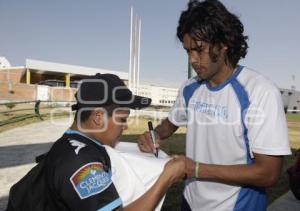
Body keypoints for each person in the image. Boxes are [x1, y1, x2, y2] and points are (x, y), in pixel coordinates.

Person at [138, 0, 291, 210]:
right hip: (190, 202)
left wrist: (196, 169)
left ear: (223, 43)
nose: (192, 59)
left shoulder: (259, 92)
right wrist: (155, 134)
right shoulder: (190, 88)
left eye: (199, 50)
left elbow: (269, 173)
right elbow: (170, 123)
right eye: (187, 51)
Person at [7, 73, 186, 211]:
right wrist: (167, 177)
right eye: (122, 119)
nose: (125, 127)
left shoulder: (73, 143)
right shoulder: (80, 163)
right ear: (98, 117)